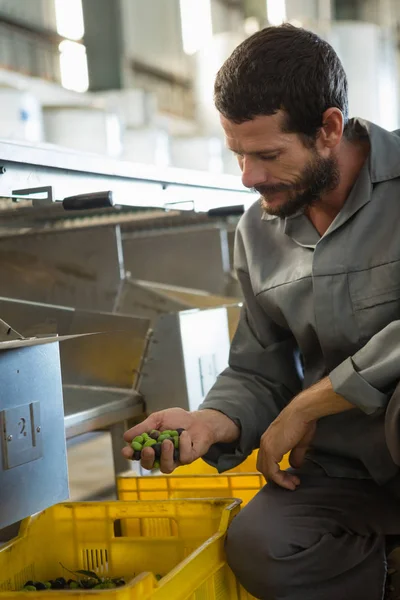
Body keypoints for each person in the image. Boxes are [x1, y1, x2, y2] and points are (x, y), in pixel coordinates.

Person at [122, 24, 400, 600]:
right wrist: (210, 422)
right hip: (345, 467)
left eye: (268, 155)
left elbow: (306, 394)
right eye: (238, 154)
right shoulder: (258, 230)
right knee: (262, 546)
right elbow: (259, 366)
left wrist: (317, 399)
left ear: (328, 128)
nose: (248, 177)